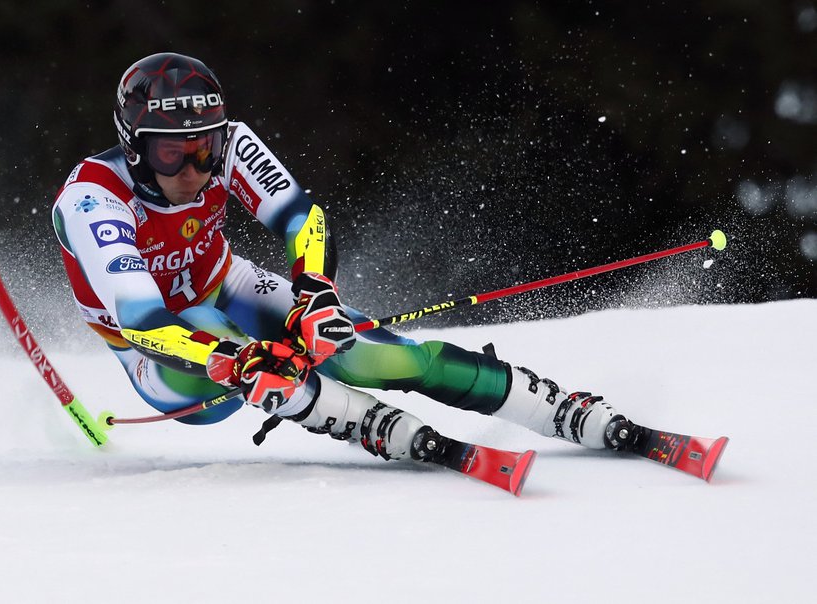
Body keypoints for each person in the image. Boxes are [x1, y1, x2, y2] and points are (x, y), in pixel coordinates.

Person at [52, 52, 636, 465]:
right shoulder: (93, 199)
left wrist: (315, 296)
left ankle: (550, 405)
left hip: (226, 280)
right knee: (241, 357)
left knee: (365, 353)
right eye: (171, 153)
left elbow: (303, 219)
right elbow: (144, 321)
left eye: (203, 149)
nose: (194, 170)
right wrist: (235, 358)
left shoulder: (229, 144)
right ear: (133, 145)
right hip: (156, 349)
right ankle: (356, 419)